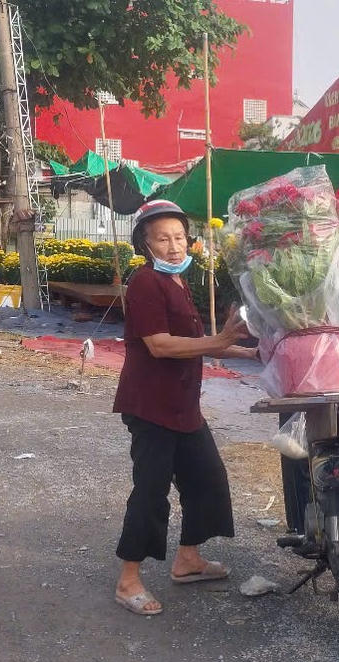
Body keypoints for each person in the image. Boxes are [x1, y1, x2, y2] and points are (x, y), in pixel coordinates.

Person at [111, 199, 256, 616]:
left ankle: (188, 559)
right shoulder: (145, 283)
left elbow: (192, 344)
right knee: (151, 493)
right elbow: (159, 345)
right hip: (151, 408)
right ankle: (128, 580)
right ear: (145, 244)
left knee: (207, 479)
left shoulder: (177, 284)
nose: (173, 247)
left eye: (179, 238)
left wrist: (239, 352)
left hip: (182, 407)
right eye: (162, 239)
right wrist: (219, 341)